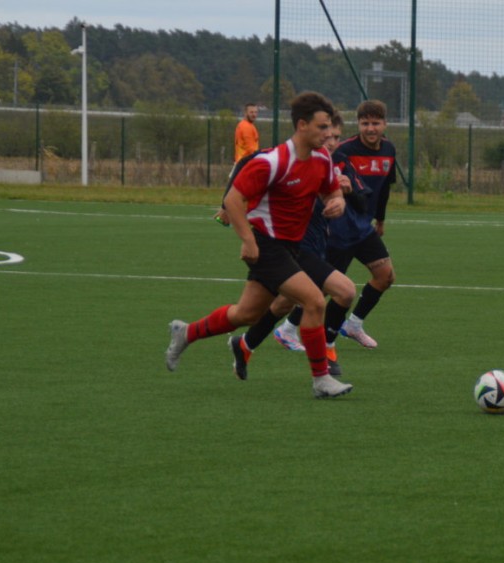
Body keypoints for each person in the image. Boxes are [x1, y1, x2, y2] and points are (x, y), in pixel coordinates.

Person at [166, 91, 353, 399]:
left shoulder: (322, 159)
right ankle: (321, 379)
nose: (328, 134)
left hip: (291, 248)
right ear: (302, 125)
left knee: (247, 314)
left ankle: (185, 332)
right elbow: (233, 200)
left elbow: (331, 191)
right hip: (267, 246)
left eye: (329, 128)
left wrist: (337, 202)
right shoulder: (273, 162)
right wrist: (248, 240)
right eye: (322, 127)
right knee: (315, 302)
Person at [231, 111, 369, 379]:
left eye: (336, 137)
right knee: (343, 291)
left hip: (318, 245)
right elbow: (248, 163)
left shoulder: (337, 163)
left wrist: (343, 195)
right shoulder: (292, 159)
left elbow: (362, 204)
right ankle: (325, 359)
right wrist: (229, 203)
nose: (331, 141)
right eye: (326, 134)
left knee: (281, 304)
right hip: (293, 247)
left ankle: (246, 344)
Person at [320, 99, 398, 349]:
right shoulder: (343, 150)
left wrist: (381, 219)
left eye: (376, 123)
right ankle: (288, 328)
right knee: (324, 287)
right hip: (339, 229)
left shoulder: (389, 150)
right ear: (358, 124)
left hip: (364, 227)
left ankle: (353, 324)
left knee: (385, 276)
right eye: (365, 123)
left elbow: (384, 189)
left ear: (385, 124)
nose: (371, 128)